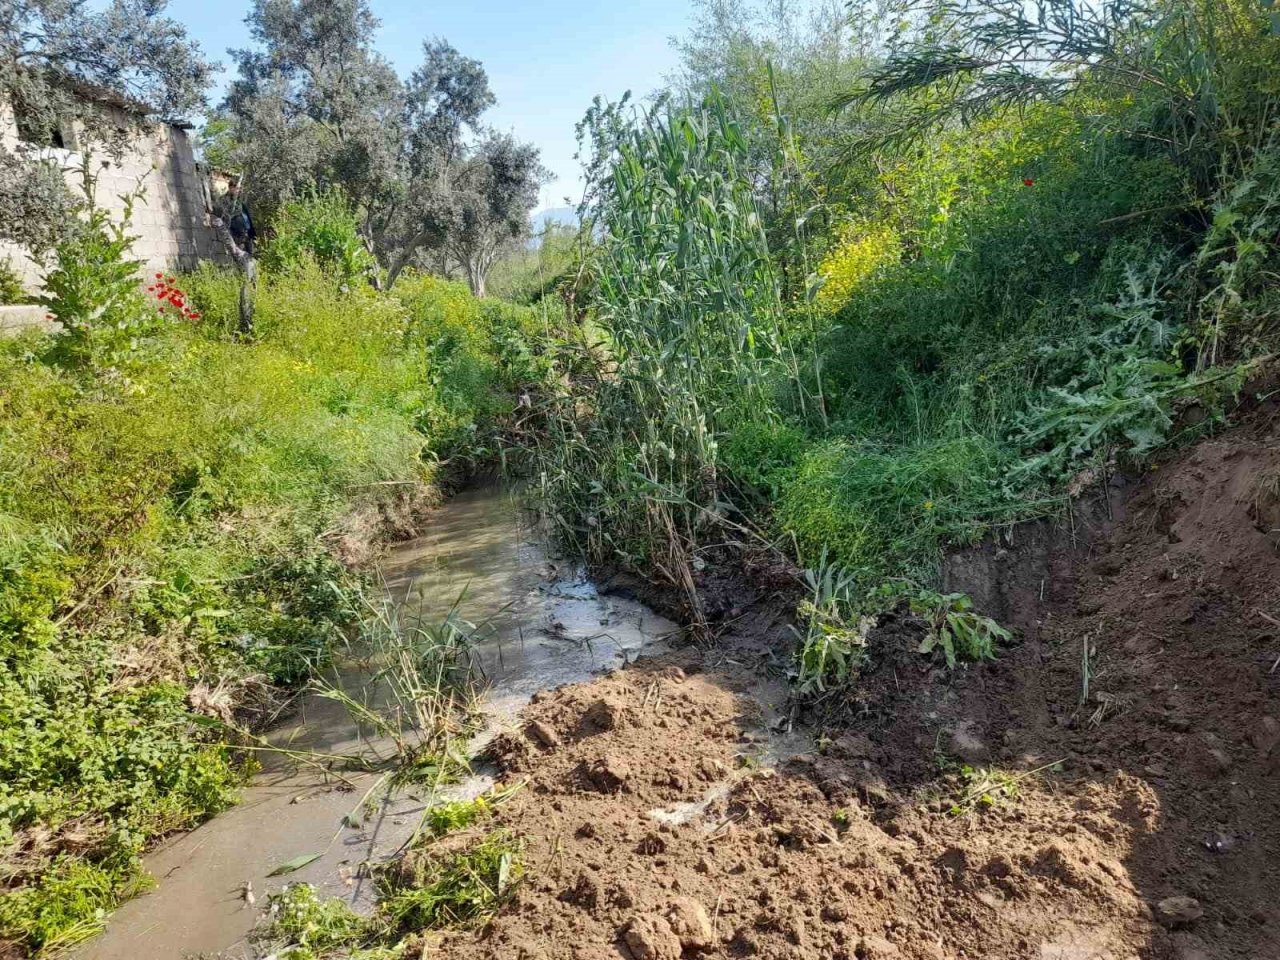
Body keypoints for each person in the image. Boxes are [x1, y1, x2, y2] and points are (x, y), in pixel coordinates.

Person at [217, 180, 257, 257]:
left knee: (251, 255)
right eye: (237, 188)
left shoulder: (239, 200)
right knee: (241, 255)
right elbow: (227, 214)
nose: (238, 190)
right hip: (237, 233)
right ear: (231, 187)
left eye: (239, 188)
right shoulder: (223, 199)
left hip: (247, 232)